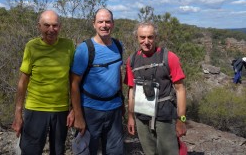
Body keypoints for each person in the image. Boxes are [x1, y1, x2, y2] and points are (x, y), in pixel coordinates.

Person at [11, 10, 75, 155]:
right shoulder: (32, 46)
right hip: (36, 108)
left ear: (60, 26)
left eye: (55, 25)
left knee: (58, 151)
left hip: (60, 109)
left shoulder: (69, 45)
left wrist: (73, 108)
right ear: (39, 26)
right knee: (30, 150)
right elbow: (23, 81)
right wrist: (18, 112)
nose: (51, 30)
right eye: (46, 25)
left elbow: (73, 79)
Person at [124, 22, 187, 155]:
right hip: (142, 116)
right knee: (149, 152)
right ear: (137, 37)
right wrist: (130, 116)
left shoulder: (169, 57)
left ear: (155, 37)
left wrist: (181, 120)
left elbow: (180, 89)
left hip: (164, 115)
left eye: (150, 37)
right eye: (142, 37)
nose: (146, 41)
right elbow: (131, 90)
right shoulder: (132, 60)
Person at [70, 8, 124, 155]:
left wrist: (122, 102)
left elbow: (117, 74)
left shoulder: (119, 46)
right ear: (94, 24)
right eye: (100, 21)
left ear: (113, 24)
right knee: (87, 151)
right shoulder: (85, 49)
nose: (104, 25)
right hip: (90, 110)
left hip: (114, 109)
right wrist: (78, 115)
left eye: (108, 21)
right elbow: (74, 84)